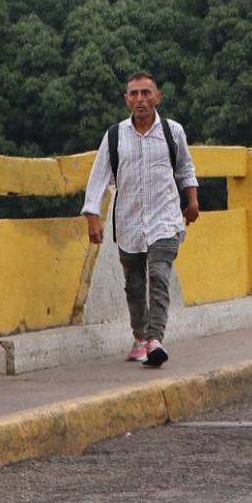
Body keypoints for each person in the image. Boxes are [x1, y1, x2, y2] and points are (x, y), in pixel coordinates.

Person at [82, 72, 200, 369]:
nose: (140, 99)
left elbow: (185, 167)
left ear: (157, 96)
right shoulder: (114, 136)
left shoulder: (173, 132)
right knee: (134, 285)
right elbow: (98, 178)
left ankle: (155, 339)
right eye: (133, 94)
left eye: (146, 93)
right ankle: (140, 336)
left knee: (159, 275)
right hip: (129, 221)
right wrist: (92, 216)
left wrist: (193, 201)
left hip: (166, 219)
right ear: (126, 100)